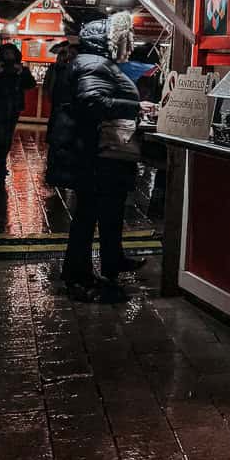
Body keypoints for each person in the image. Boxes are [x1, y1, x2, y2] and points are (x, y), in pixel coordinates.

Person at [48, 17, 144, 294]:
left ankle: (112, 261)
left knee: (107, 210)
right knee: (88, 214)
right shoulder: (94, 63)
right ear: (106, 40)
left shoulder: (91, 61)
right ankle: (78, 274)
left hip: (99, 152)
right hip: (95, 155)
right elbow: (92, 102)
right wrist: (135, 108)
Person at [0, 43, 36, 186]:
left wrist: (22, 73)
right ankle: (0, 163)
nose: (9, 56)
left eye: (11, 53)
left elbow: (30, 84)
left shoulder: (21, 70)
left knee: (7, 136)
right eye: (6, 53)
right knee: (1, 135)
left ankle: (1, 161)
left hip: (13, 109)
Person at [43, 42, 74, 133]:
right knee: (53, 115)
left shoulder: (69, 68)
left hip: (64, 96)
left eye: (63, 56)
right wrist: (47, 92)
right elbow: (47, 80)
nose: (60, 59)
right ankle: (51, 134)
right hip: (55, 94)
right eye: (59, 57)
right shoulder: (53, 67)